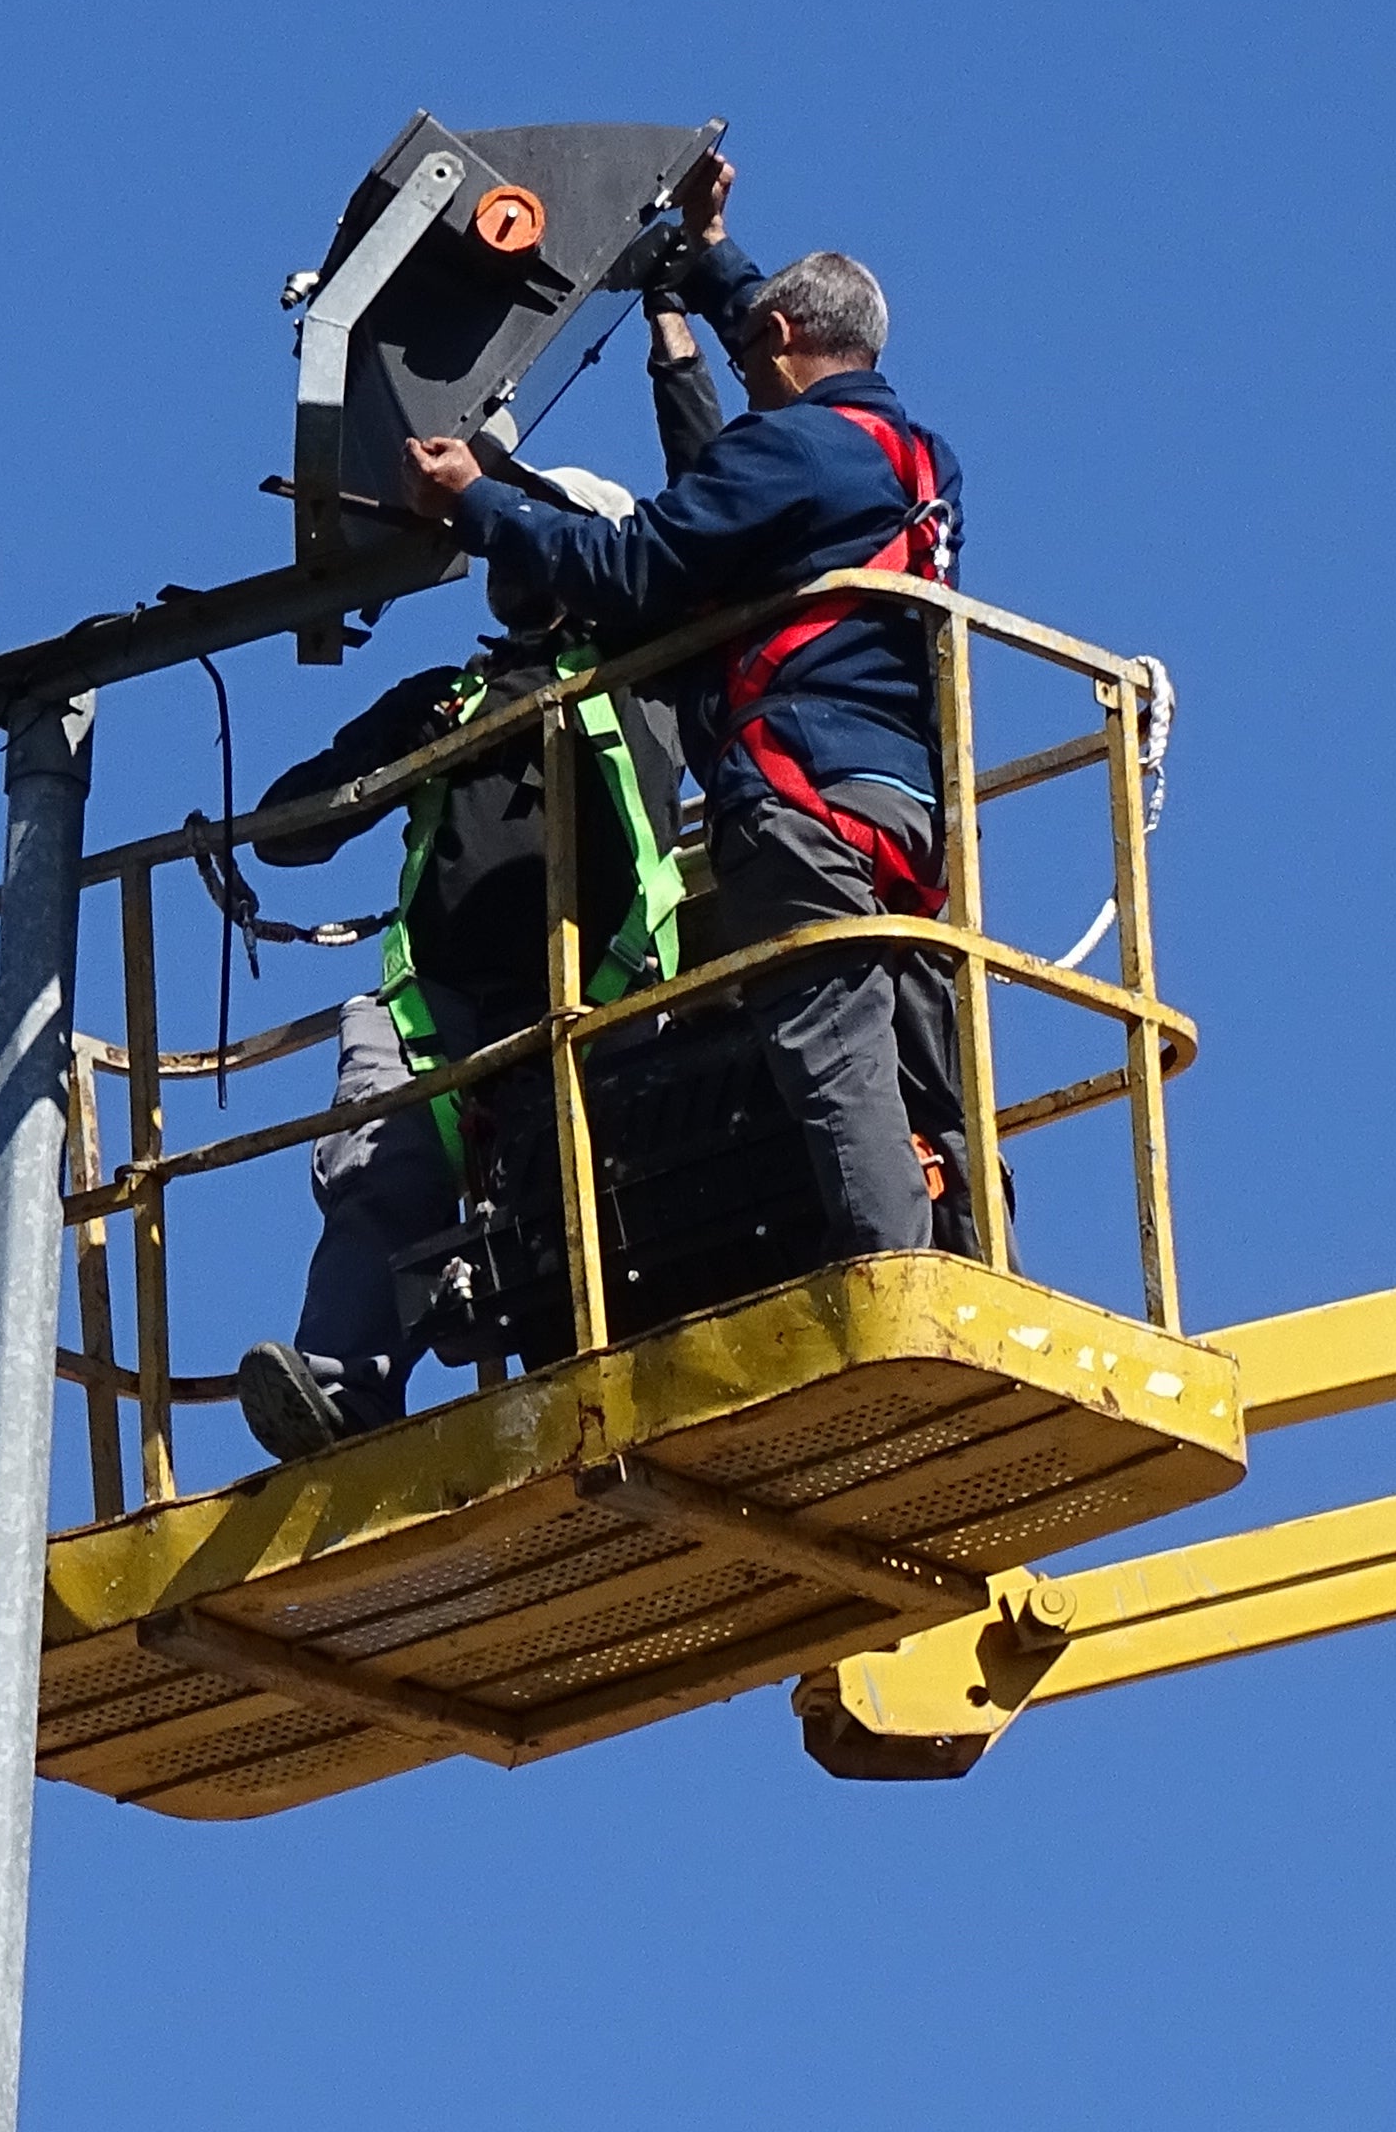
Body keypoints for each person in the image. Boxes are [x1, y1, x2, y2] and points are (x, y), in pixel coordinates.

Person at [404, 194, 973, 1269]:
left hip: (799, 795)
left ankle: (890, 1283)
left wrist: (478, 503)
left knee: (832, 1047)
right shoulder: (916, 458)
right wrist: (710, 264)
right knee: (924, 1054)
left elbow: (630, 572)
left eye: (755, 341)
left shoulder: (787, 454)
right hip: (901, 806)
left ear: (784, 340)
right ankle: (977, 1263)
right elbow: (778, 325)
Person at [230, 469, 693, 1461]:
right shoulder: (444, 696)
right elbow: (287, 832)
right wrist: (402, 762)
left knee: (590, 1212)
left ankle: (618, 1395)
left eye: (535, 528)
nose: (507, 550)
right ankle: (341, 1391)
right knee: (380, 1177)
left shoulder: (652, 672)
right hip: (433, 1010)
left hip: (592, 998)